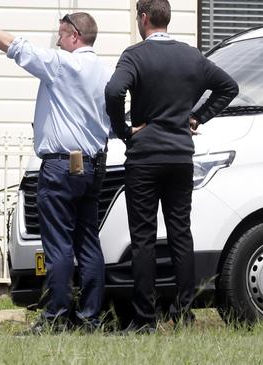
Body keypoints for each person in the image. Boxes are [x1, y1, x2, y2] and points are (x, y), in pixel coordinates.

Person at [0, 13, 112, 333]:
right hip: (91, 163)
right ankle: (90, 317)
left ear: (74, 36)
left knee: (59, 245)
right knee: (88, 242)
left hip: (62, 164)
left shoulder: (61, 64)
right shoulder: (106, 72)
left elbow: (12, 45)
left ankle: (57, 316)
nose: (58, 41)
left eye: (61, 36)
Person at [105, 0, 238, 333]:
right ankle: (182, 313)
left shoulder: (134, 55)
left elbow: (113, 89)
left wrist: (124, 131)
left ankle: (145, 319)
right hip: (180, 155)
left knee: (144, 239)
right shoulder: (192, 56)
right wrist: (196, 118)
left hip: (145, 158)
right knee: (181, 234)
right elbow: (228, 87)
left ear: (144, 18)